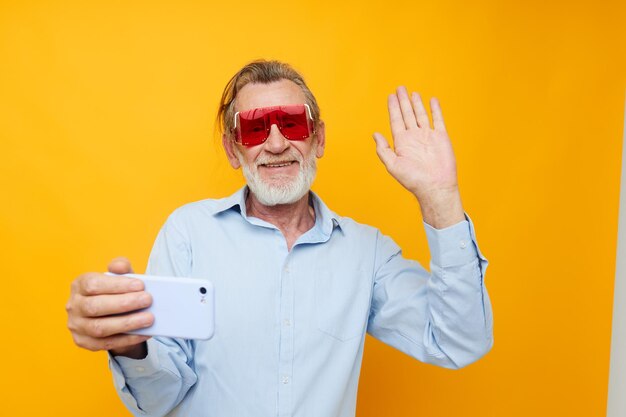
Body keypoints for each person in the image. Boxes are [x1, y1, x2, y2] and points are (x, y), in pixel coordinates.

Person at [66, 60, 493, 417]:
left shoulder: (368, 253)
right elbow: (159, 399)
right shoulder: (188, 233)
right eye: (254, 129)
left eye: (291, 123)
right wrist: (132, 346)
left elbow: (459, 342)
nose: (275, 143)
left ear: (318, 138)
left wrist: (441, 199)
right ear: (234, 150)